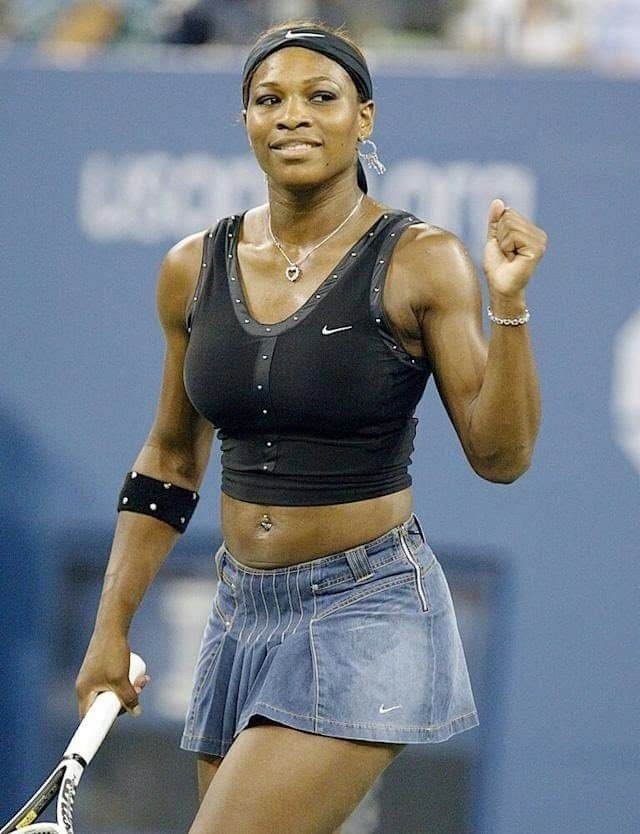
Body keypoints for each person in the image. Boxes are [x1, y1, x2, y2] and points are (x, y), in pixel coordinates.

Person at [75, 18, 547, 834]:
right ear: (246, 122)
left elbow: (501, 456)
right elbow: (171, 458)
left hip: (369, 610)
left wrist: (507, 304)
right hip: (240, 614)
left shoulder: (421, 259)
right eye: (269, 99)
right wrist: (109, 629)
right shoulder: (192, 265)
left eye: (320, 97)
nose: (291, 114)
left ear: (364, 117)